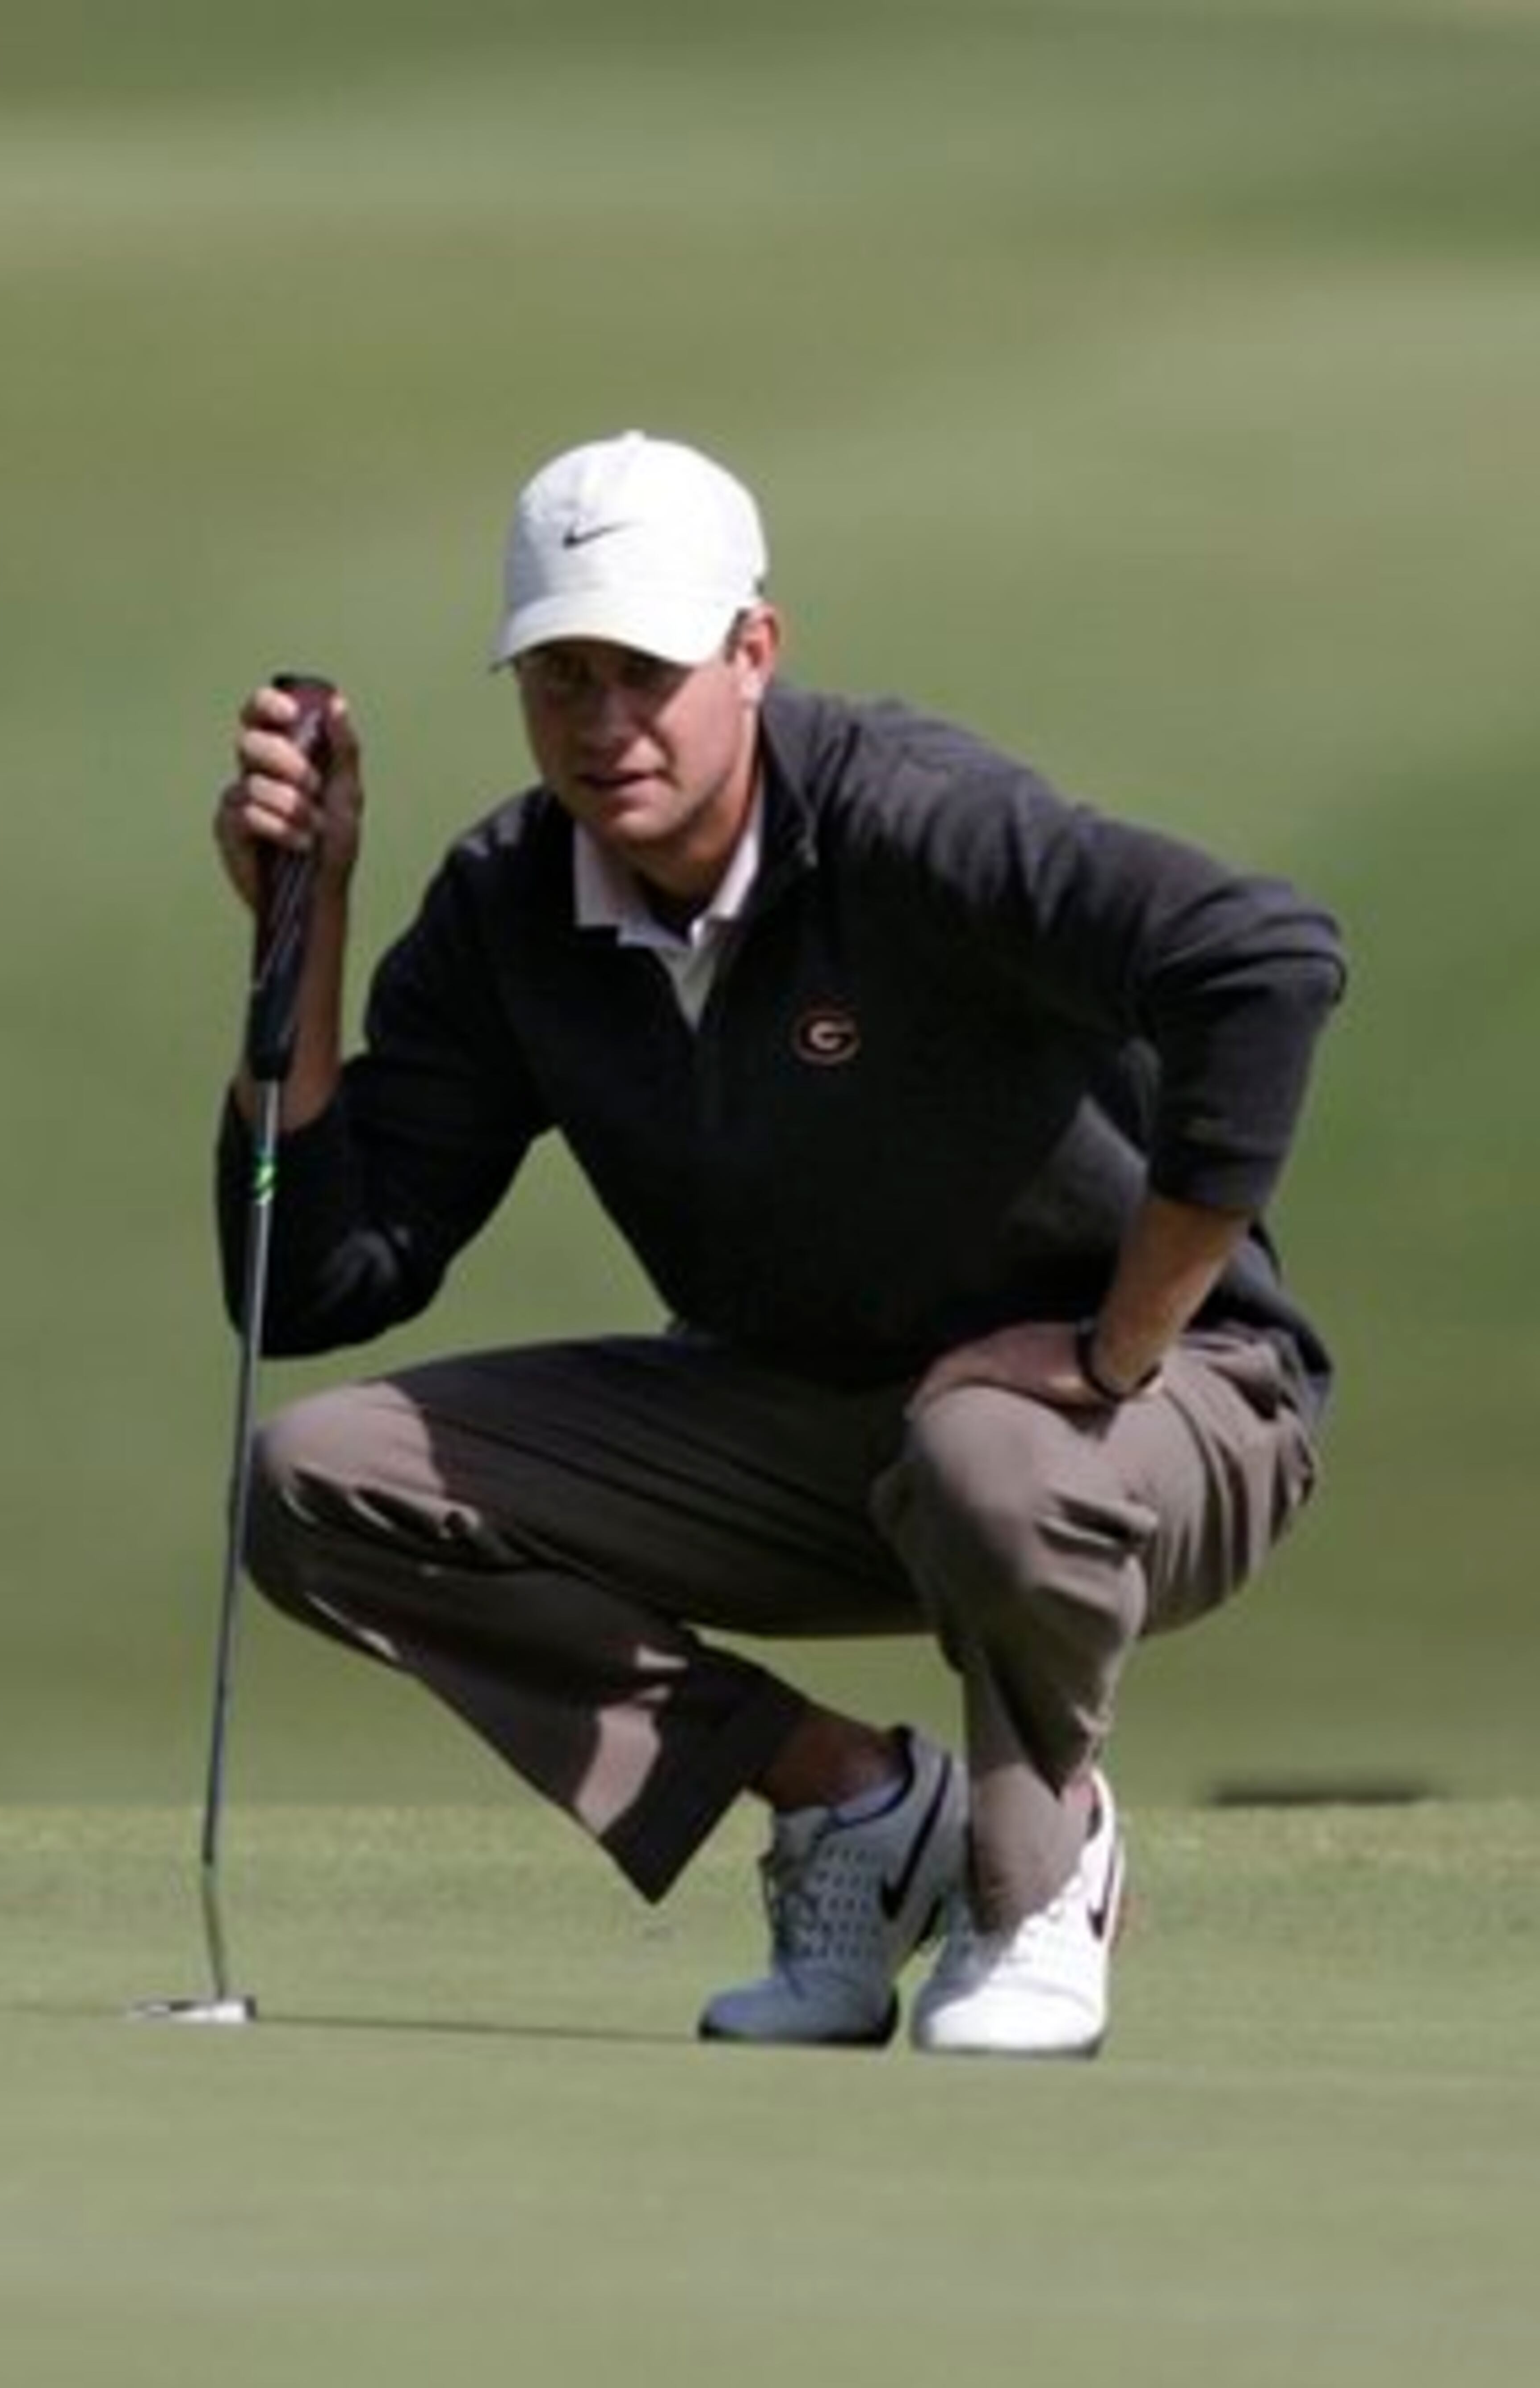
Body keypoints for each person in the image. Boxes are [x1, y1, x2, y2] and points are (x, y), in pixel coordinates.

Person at [210, 429, 1344, 2057]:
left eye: (646, 672)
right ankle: (855, 1807)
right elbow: (313, 1283)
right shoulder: (513, 905)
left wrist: (1119, 1343)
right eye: (561, 677)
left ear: (754, 651)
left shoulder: (912, 821)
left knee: (990, 1455)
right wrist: (297, 929)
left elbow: (1265, 961)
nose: (603, 728)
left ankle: (1040, 1880)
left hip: (1172, 1416)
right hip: (818, 1423)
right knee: (318, 1478)